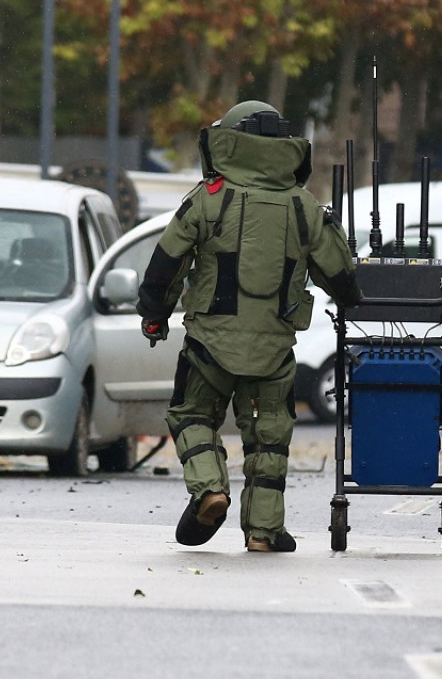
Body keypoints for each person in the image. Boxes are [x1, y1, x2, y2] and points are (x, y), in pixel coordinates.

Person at [139, 100, 361, 553]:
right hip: (273, 352)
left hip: (208, 346)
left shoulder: (209, 197)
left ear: (229, 142)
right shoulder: (304, 207)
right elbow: (340, 275)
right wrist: (352, 300)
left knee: (193, 416)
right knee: (268, 438)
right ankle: (263, 531)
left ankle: (210, 489)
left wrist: (154, 314)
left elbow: (166, 263)